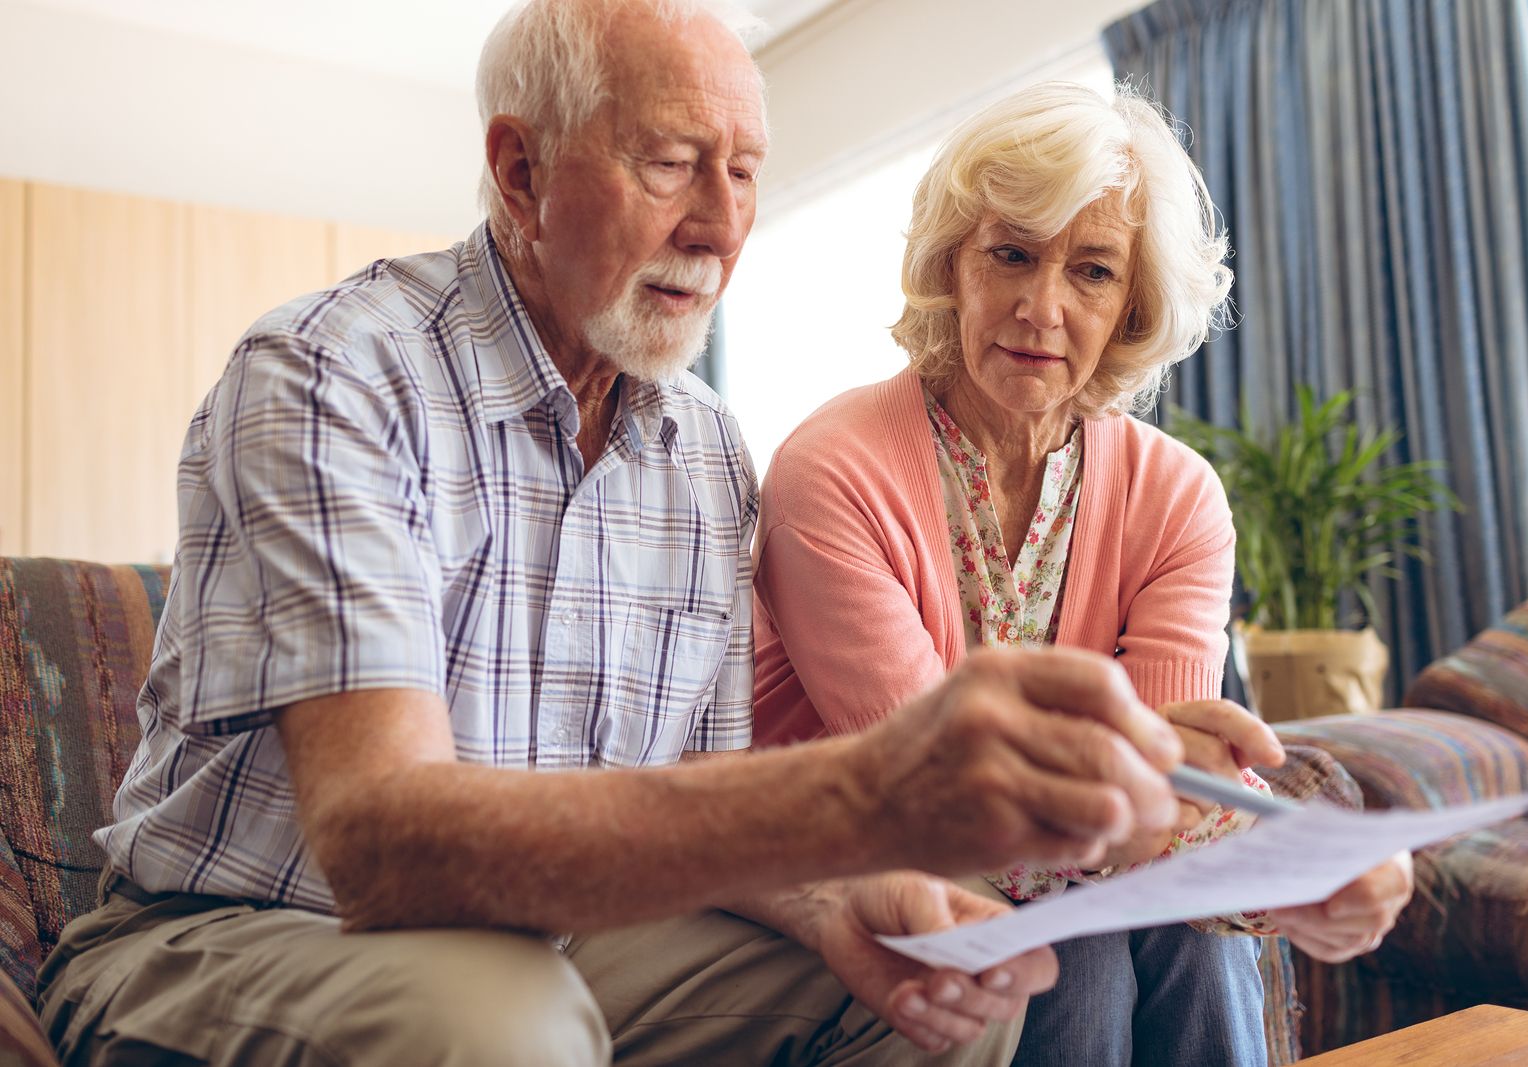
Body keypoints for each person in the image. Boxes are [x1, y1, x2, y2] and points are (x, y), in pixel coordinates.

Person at [33, 6, 1210, 1066]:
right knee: (503, 1019)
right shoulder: (334, 373)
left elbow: (694, 781)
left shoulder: (701, 448)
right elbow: (380, 843)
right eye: (670, 163)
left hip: (562, 939)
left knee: (945, 978)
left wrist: (834, 898)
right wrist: (861, 793)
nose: (719, 223)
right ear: (520, 168)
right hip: (244, 931)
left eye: (745, 172)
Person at [751, 82, 1415, 1067]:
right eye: (1010, 253)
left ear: (1131, 307)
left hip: (1068, 867)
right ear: (950, 267)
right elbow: (935, 786)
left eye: (1092, 271)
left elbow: (1173, 783)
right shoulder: (831, 469)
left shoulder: (1178, 498)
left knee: (1169, 938)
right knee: (1089, 952)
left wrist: (1286, 855)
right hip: (854, 859)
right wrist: (1256, 852)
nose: (1041, 306)